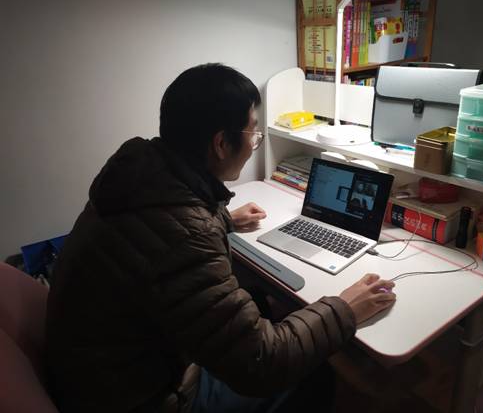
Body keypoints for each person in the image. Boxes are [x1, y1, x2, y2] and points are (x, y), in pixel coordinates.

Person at [45, 63, 396, 413]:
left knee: (257, 301)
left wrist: (222, 218)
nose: (255, 144)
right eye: (253, 133)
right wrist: (345, 309)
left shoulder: (136, 179)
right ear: (221, 143)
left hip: (95, 372)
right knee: (317, 373)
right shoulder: (186, 238)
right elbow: (263, 363)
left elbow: (156, 237)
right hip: (145, 398)